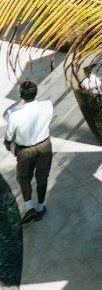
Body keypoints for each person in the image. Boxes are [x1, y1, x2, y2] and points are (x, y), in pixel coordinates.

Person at [5, 79, 52, 223]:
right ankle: (40, 207)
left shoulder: (14, 114)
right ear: (36, 92)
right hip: (45, 146)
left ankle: (29, 208)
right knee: (42, 177)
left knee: (24, 179)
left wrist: (7, 144)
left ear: (21, 95)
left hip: (25, 150)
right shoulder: (48, 105)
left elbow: (9, 136)